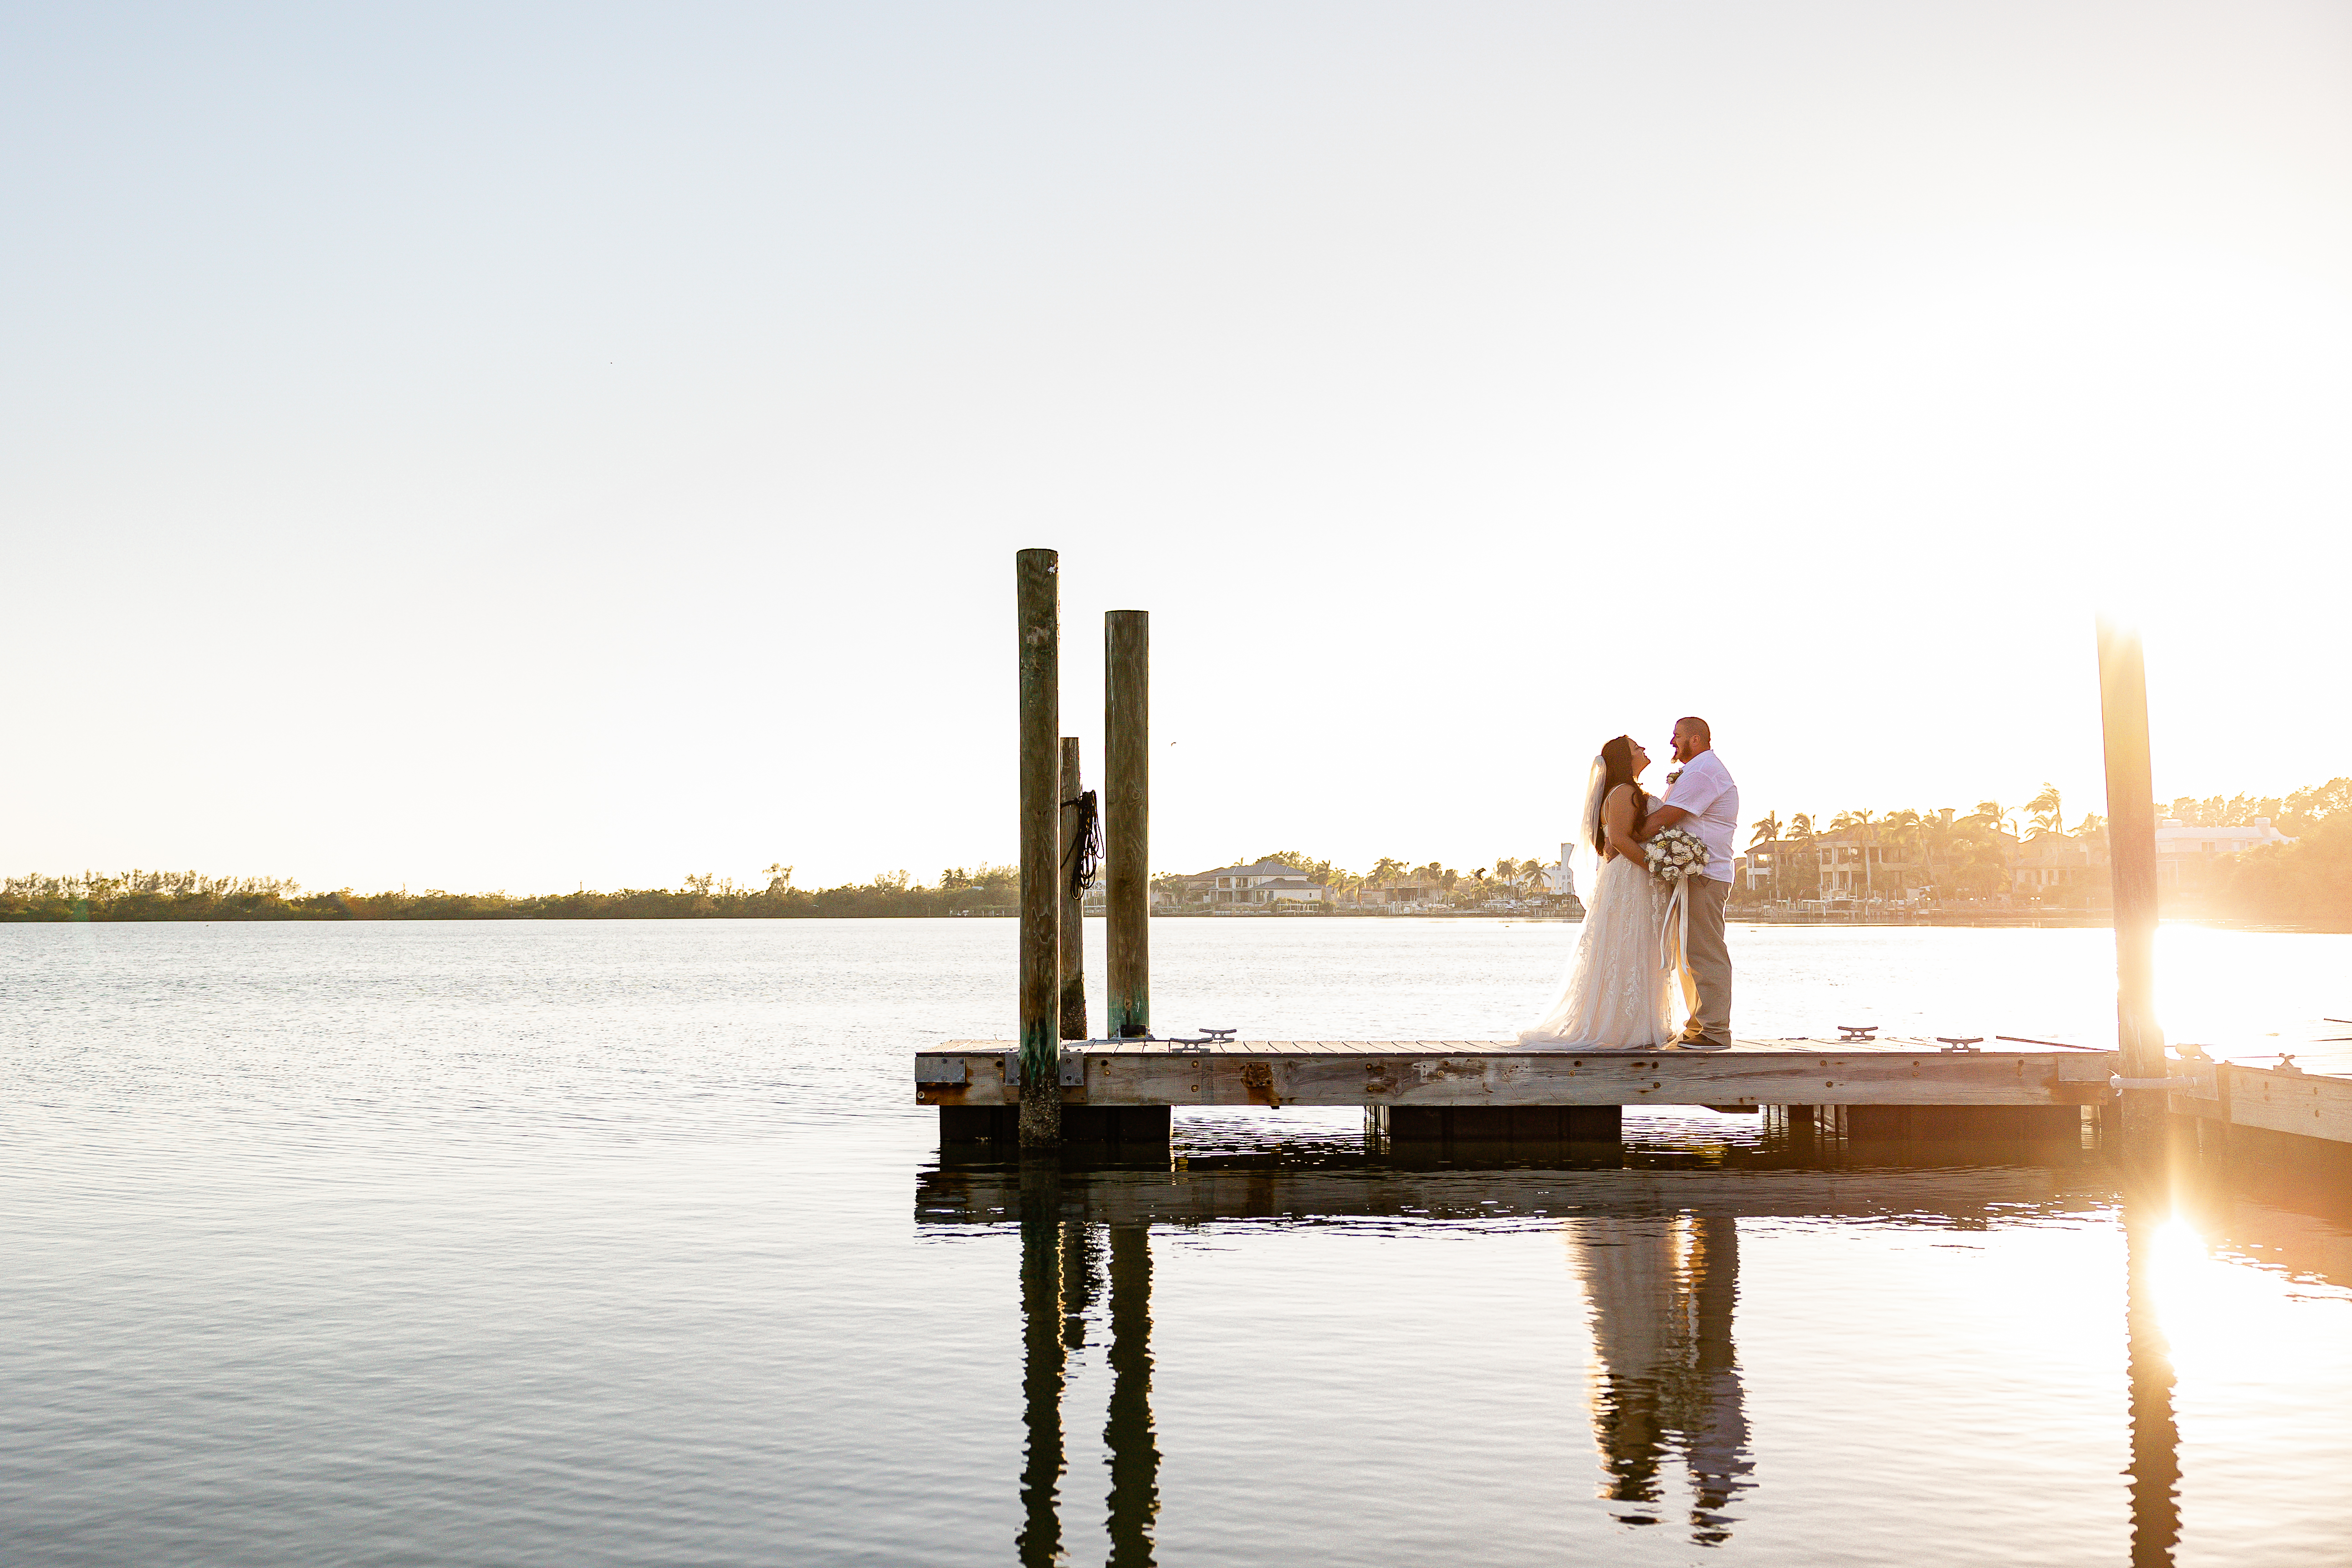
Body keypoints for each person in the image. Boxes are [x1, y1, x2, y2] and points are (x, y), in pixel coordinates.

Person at [1519, 734, 1676, 1049]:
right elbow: (1618, 839)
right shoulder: (1622, 792)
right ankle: (1622, 1028)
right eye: (1636, 748)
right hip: (1630, 878)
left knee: (1637, 945)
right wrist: (1654, 865)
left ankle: (1638, 1023)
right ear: (1623, 759)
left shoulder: (1629, 791)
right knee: (1627, 944)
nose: (1644, 749)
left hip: (1633, 877)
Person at [1636, 716, 1738, 1049]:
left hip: (1706, 875)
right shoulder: (1697, 770)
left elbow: (1667, 816)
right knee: (1688, 953)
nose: (1671, 742)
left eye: (1677, 736)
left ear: (1695, 739)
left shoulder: (1704, 772)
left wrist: (1625, 836)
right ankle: (1698, 1026)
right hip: (1694, 874)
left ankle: (1715, 1032)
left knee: (1705, 951)